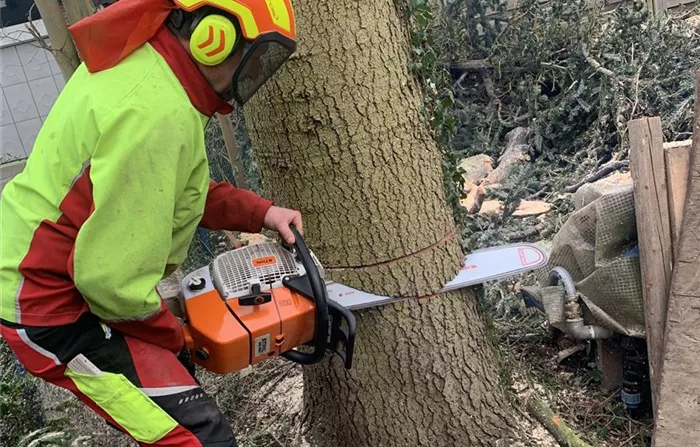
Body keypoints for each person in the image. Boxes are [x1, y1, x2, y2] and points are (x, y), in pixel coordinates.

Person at [0, 0, 301, 445]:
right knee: (193, 434)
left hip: (70, 274)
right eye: (253, 57)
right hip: (49, 305)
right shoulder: (155, 113)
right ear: (212, 37)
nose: (253, 73)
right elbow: (111, 283)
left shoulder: (155, 71)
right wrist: (177, 335)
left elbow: (180, 191)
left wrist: (262, 212)